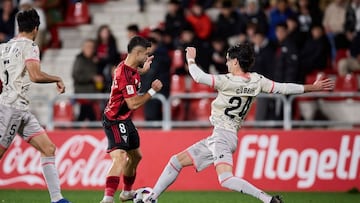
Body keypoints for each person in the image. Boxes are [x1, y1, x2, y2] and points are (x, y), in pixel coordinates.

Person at [144, 44, 334, 203]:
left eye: (228, 59)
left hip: (222, 136)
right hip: (225, 135)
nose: (226, 62)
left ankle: (267, 199)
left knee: (225, 179)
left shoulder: (227, 81)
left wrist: (191, 59)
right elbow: (284, 88)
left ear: (235, 61)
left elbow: (198, 77)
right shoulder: (257, 80)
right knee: (176, 161)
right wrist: (312, 87)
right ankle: (152, 197)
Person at [0, 9, 70, 203]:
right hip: (12, 108)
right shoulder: (29, 46)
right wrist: (57, 78)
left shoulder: (4, 47)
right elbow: (35, 75)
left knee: (48, 148)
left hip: (19, 108)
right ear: (36, 28)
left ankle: (57, 199)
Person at [100, 36, 163, 203]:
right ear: (138, 53)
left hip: (125, 119)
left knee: (136, 156)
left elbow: (135, 73)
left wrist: (145, 69)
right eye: (146, 54)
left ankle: (126, 193)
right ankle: (107, 199)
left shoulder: (129, 66)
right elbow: (133, 103)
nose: (147, 56)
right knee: (120, 157)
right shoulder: (123, 74)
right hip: (114, 119)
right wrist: (152, 91)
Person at [72, 39, 101, 122]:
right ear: (83, 48)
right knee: (88, 116)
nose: (90, 49)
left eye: (92, 47)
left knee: (87, 116)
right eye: (88, 47)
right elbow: (76, 76)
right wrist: (92, 77)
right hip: (83, 95)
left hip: (92, 95)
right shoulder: (79, 60)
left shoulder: (94, 60)